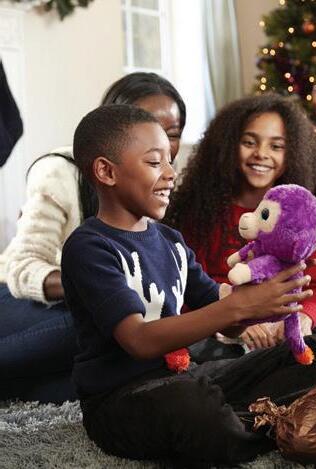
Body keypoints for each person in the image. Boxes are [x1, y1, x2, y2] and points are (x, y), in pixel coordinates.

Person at [62, 104, 316, 466]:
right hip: (119, 399)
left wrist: (260, 301)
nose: (170, 174)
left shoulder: (171, 240)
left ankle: (242, 422)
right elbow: (138, 340)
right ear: (106, 171)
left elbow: (227, 320)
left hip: (186, 375)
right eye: (154, 162)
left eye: (170, 161)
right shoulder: (89, 247)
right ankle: (266, 425)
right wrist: (236, 307)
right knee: (194, 405)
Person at [164, 93, 316, 375]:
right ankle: (280, 376)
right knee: (205, 357)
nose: (261, 153)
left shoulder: (300, 213)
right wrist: (240, 320)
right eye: (249, 142)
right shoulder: (201, 209)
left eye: (276, 146)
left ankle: (275, 375)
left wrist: (304, 318)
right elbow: (189, 286)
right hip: (223, 331)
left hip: (284, 329)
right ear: (228, 146)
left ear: (291, 154)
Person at [0, 72, 186, 403]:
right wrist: (99, 286)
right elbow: (20, 267)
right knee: (107, 325)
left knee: (117, 367)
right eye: (143, 127)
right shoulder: (60, 172)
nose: (158, 141)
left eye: (171, 134)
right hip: (20, 299)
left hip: (95, 313)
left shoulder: (161, 184)